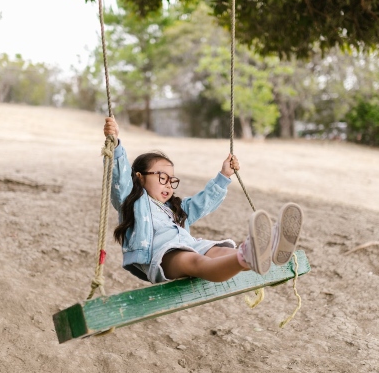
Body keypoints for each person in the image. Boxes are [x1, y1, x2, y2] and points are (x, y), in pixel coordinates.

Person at [104, 116, 303, 284]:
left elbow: (203, 202)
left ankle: (265, 250)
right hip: (159, 256)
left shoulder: (174, 208)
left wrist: (224, 175)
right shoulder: (132, 200)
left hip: (189, 246)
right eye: (161, 177)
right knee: (197, 264)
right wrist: (116, 145)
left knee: (219, 253)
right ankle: (249, 254)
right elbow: (120, 180)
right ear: (139, 177)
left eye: (171, 180)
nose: (167, 185)